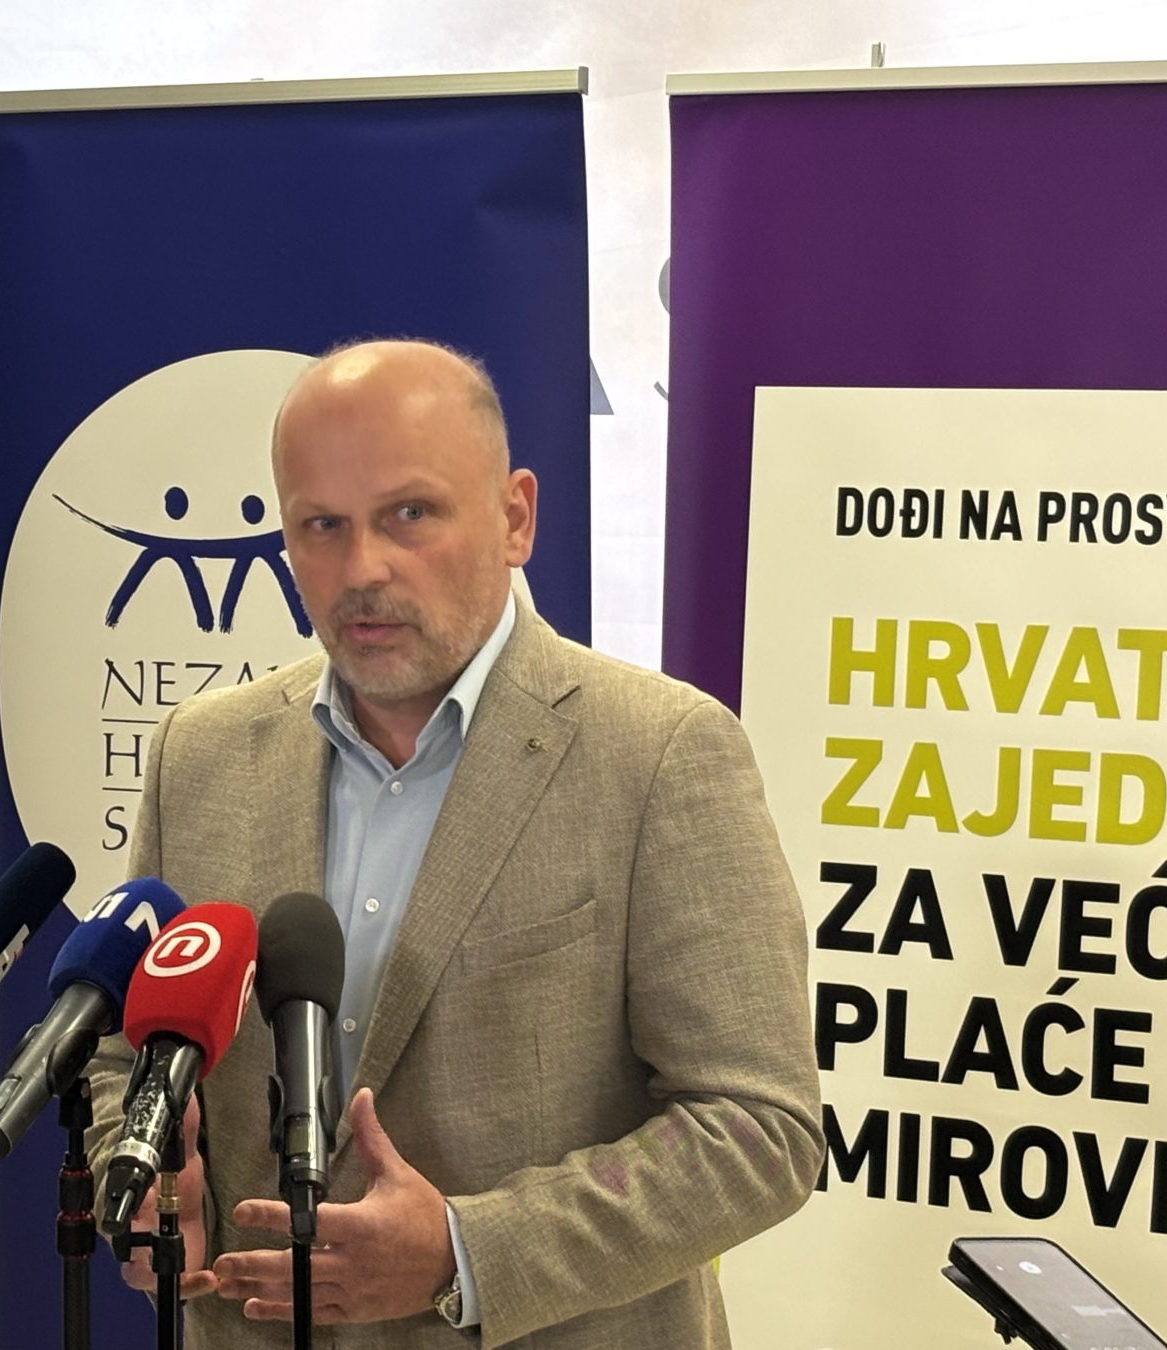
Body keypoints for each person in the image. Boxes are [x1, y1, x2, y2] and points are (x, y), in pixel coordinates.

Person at [85, 338, 824, 1347]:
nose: (363, 570)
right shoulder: (199, 755)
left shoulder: (661, 754)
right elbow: (127, 1052)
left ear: (516, 516)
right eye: (321, 526)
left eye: (410, 514)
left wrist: (467, 1253)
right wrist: (143, 1173)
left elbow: (759, 1129)